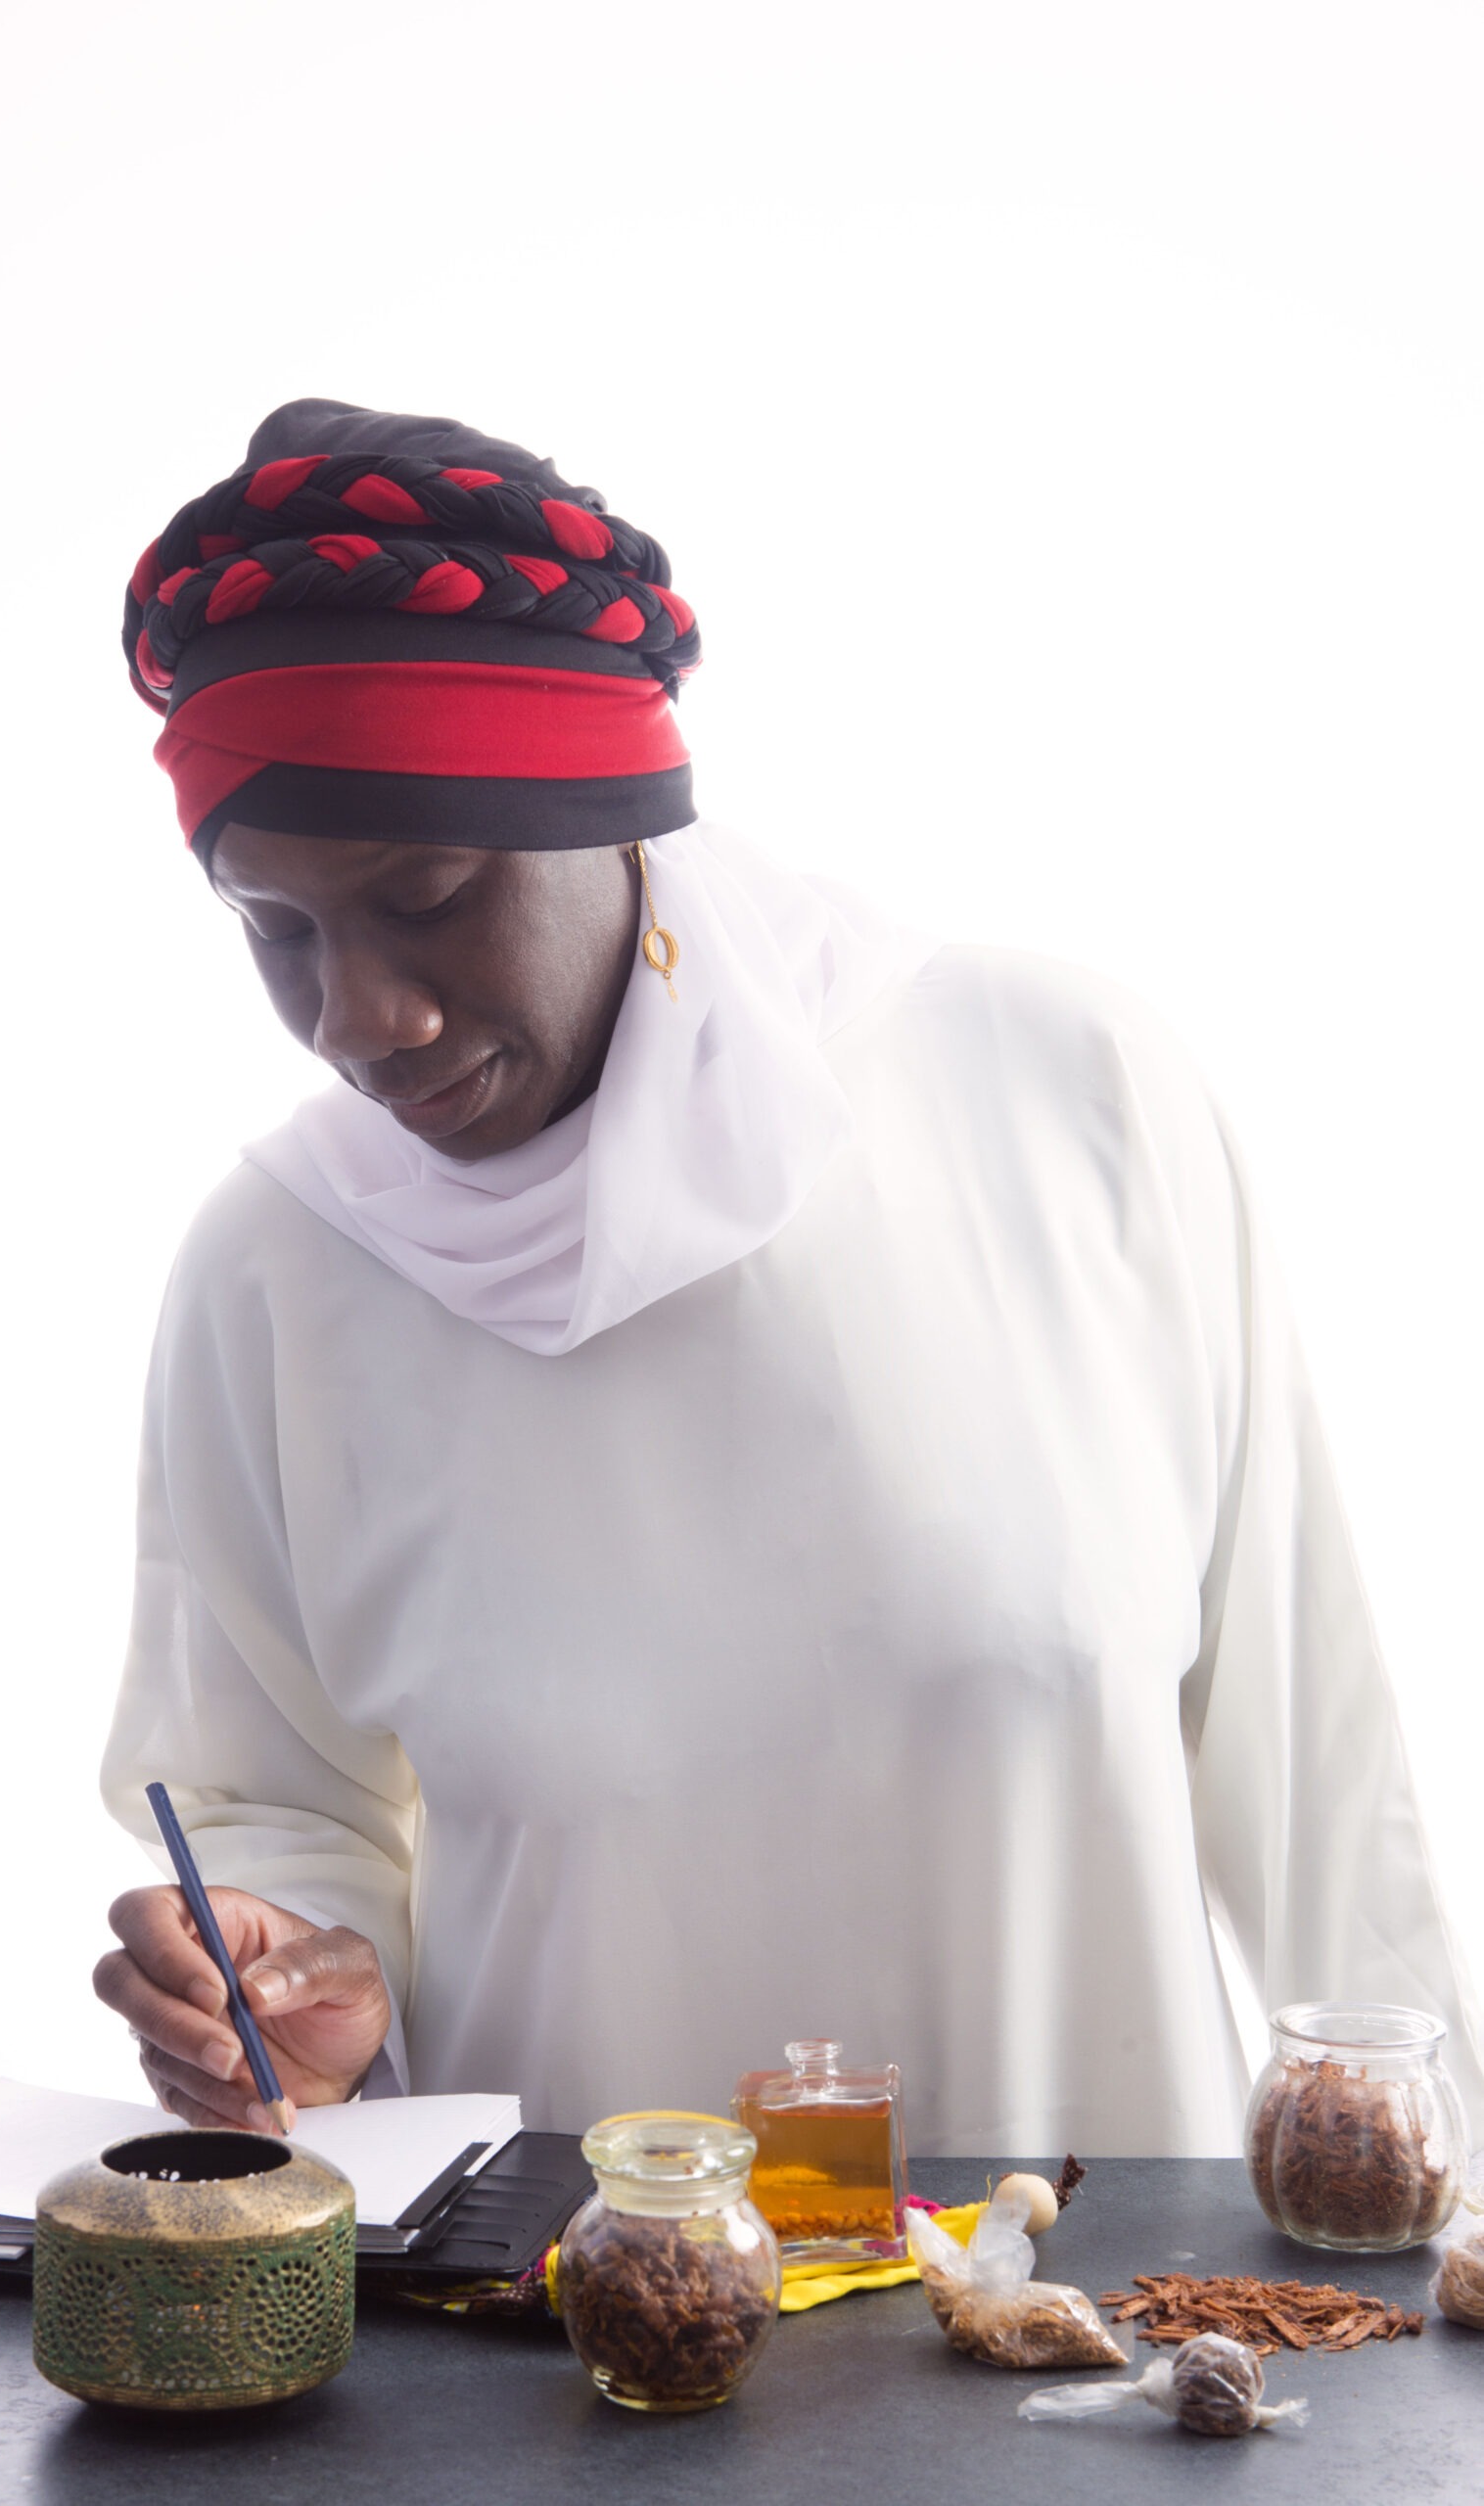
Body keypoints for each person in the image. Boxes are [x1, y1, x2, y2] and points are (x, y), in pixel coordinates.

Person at [94, 396, 1482, 2155]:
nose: (359, 1019)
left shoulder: (1070, 1096)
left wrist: (1447, 2260)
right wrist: (293, 1990)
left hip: (1117, 2357)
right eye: (273, 933)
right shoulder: (278, 1273)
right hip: (568, 2366)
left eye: (429, 893)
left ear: (616, 818)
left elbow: (1320, 1776)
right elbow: (269, 1806)